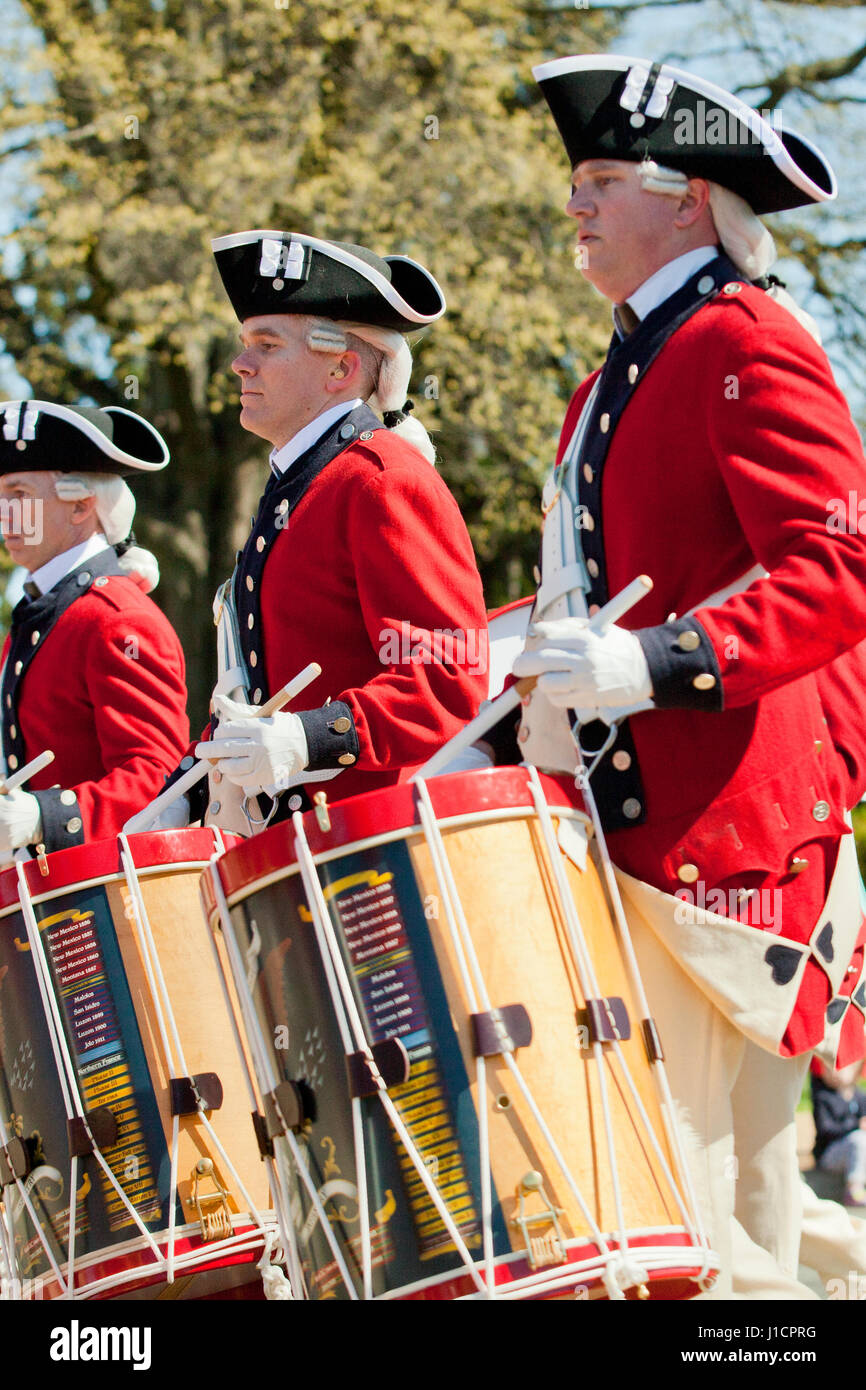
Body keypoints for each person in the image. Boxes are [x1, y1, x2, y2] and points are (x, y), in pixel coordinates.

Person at [485, 54, 866, 1297]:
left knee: (722, 1226)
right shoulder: (611, 380)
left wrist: (660, 659)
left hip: (722, 842)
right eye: (574, 182)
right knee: (680, 1212)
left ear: (688, 195)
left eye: (600, 179)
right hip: (627, 839)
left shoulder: (742, 336)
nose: (574, 204)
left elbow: (840, 559)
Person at [150, 232, 487, 834]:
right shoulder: (303, 485)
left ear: (342, 367)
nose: (239, 364)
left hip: (366, 848)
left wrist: (306, 739)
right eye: (244, 344)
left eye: (266, 345)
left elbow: (445, 682)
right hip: (290, 850)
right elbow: (257, 688)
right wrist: (186, 788)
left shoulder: (378, 479)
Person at [0, 400, 189, 856]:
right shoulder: (41, 613)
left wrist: (45, 817)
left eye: (19, 495)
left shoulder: (116, 618)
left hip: (99, 903)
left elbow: (159, 782)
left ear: (82, 506)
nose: (3, 513)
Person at [811, 1059, 866, 1207]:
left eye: (839, 1067)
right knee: (859, 1140)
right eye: (827, 1069)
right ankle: (854, 1189)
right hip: (829, 1153)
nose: (832, 1072)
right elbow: (826, 1129)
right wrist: (856, 1126)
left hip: (852, 1152)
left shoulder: (860, 1097)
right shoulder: (824, 1097)